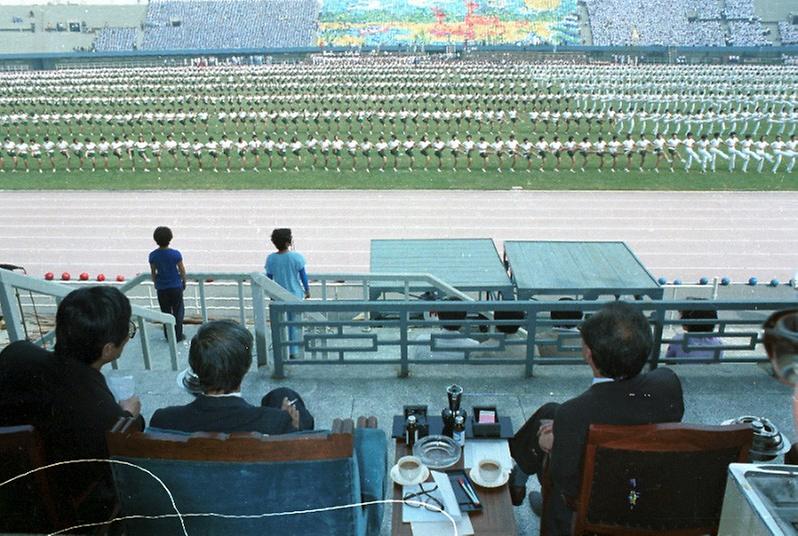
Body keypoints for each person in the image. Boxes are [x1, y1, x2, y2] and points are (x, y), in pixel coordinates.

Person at [508, 302, 684, 535]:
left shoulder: (574, 414)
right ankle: (518, 480)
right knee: (551, 411)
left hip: (593, 508)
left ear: (588, 353)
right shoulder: (667, 383)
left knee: (548, 436)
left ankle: (516, 482)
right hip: (642, 490)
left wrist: (552, 445)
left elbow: (566, 482)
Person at [0, 286, 143, 524]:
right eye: (127, 331)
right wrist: (129, 415)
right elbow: (119, 452)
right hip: (60, 510)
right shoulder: (105, 416)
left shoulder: (16, 353)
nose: (127, 337)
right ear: (108, 349)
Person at [151, 320, 313, 434]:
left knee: (280, 395)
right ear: (246, 367)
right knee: (284, 395)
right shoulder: (277, 422)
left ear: (195, 367)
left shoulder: (163, 420)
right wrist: (294, 430)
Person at [265, 228, 311, 358]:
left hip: (278, 296)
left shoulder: (271, 259)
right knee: (293, 324)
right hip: (294, 295)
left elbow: (268, 278)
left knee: (279, 324)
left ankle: (281, 350)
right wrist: (307, 290)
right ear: (287, 242)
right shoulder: (296, 257)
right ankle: (293, 350)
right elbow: (303, 276)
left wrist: (271, 293)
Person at [149, 226, 186, 342]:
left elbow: (153, 272)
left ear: (156, 240)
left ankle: (168, 336)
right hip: (175, 286)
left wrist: (156, 283)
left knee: (165, 312)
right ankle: (178, 336)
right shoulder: (175, 254)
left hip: (162, 288)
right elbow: (182, 270)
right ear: (170, 238)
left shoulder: (153, 255)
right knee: (178, 311)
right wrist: (184, 281)